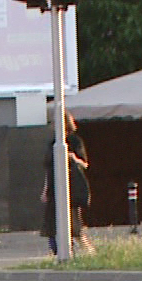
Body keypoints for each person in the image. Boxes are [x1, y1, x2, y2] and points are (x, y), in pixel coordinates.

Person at [39, 108, 92, 255]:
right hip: (53, 187)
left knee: (75, 225)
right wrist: (45, 190)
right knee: (51, 224)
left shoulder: (75, 141)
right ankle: (57, 252)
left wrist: (72, 157)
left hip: (70, 188)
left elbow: (84, 164)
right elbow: (48, 168)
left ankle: (87, 251)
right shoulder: (53, 143)